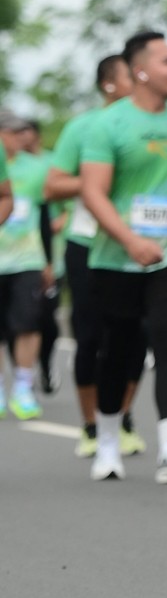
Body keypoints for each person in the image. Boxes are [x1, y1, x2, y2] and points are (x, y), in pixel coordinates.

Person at [79, 30, 167, 483]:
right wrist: (130, 240)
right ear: (140, 70)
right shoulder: (108, 124)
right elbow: (93, 193)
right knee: (118, 350)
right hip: (116, 258)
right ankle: (107, 441)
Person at [44, 56, 149, 457]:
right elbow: (53, 186)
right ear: (109, 85)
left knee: (136, 336)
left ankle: (123, 418)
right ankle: (91, 426)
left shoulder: (155, 125)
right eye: (130, 75)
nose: (140, 80)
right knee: (90, 337)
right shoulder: (84, 127)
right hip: (88, 244)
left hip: (138, 246)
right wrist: (95, 179)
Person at [0, 111, 52, 422]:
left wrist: (49, 261)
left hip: (27, 259)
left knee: (29, 323)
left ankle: (23, 387)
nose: (22, 137)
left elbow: (45, 215)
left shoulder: (37, 167)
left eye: (23, 132)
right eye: (13, 132)